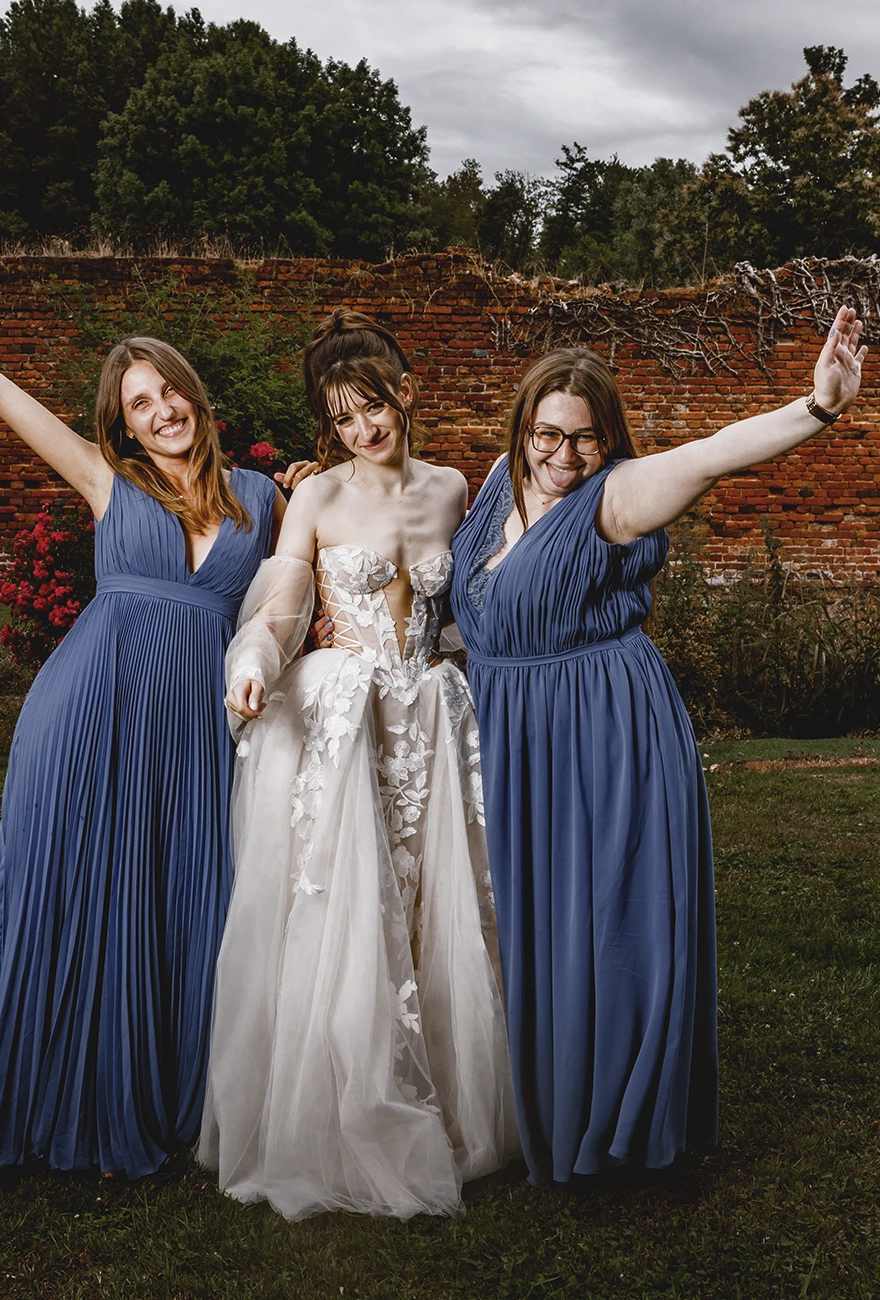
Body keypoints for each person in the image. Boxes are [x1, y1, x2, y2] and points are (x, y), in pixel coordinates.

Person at [0, 281, 283, 1177]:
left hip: (190, 731)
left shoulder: (264, 499)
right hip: (87, 710)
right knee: (70, 895)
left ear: (195, 392)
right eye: (139, 405)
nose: (161, 414)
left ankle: (163, 1103)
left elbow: (313, 568)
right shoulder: (104, 478)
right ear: (122, 427)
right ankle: (44, 1102)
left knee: (177, 898)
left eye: (168, 393)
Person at [447, 308, 866, 1184]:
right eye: (548, 436)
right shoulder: (495, 485)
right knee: (540, 921)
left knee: (611, 925)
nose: (563, 457)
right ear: (523, 428)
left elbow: (713, 453)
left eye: (586, 441)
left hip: (604, 731)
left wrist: (817, 407)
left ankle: (618, 1121)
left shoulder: (618, 495)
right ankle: (553, 1102)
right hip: (521, 734)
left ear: (610, 442)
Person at [198, 309, 517, 1220]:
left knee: (436, 906)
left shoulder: (457, 487)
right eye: (341, 418)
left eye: (371, 407)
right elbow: (286, 602)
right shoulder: (319, 498)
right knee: (353, 909)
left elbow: (468, 604)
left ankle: (450, 1104)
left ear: (403, 392)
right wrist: (255, 665)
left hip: (434, 713)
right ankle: (344, 1113)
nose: (362, 430)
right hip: (351, 714)